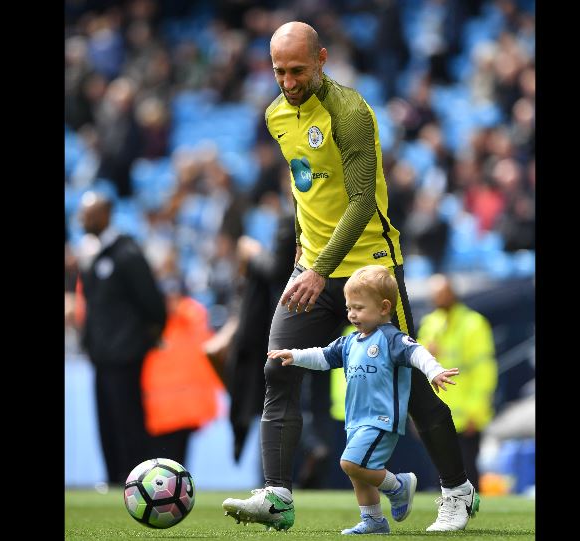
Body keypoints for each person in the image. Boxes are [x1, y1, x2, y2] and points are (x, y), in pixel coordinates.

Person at [221, 21, 480, 532]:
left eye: (298, 70)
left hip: (370, 268)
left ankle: (458, 492)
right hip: (312, 267)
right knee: (279, 368)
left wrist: (319, 268)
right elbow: (304, 188)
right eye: (279, 72)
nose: (289, 81)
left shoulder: (351, 112)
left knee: (413, 384)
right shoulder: (275, 115)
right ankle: (277, 494)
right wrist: (303, 248)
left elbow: (362, 202)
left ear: (321, 59)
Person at [266, 265, 460, 534]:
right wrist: (295, 355)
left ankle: (399, 486)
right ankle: (373, 521)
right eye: (349, 308)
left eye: (359, 308)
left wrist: (435, 371)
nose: (352, 314)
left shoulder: (392, 337)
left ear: (383, 308)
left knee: (350, 463)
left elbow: (417, 353)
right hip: (356, 419)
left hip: (381, 419)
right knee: (360, 475)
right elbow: (322, 357)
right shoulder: (349, 341)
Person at [78, 191, 167, 485]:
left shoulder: (126, 253)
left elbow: (154, 304)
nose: (82, 219)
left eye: (88, 213)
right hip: (102, 355)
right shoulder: (93, 254)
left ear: (105, 215)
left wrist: (140, 341)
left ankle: (135, 480)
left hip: (125, 355)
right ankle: (113, 478)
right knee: (107, 421)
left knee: (128, 420)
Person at [416, 274, 498, 492]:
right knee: (440, 473)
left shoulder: (473, 323)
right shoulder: (429, 324)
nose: (437, 299)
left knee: (468, 471)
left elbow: (484, 371)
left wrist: (476, 411)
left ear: (453, 294)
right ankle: (448, 513)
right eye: (434, 295)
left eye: (442, 294)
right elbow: (420, 370)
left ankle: (473, 515)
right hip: (437, 414)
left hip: (465, 417)